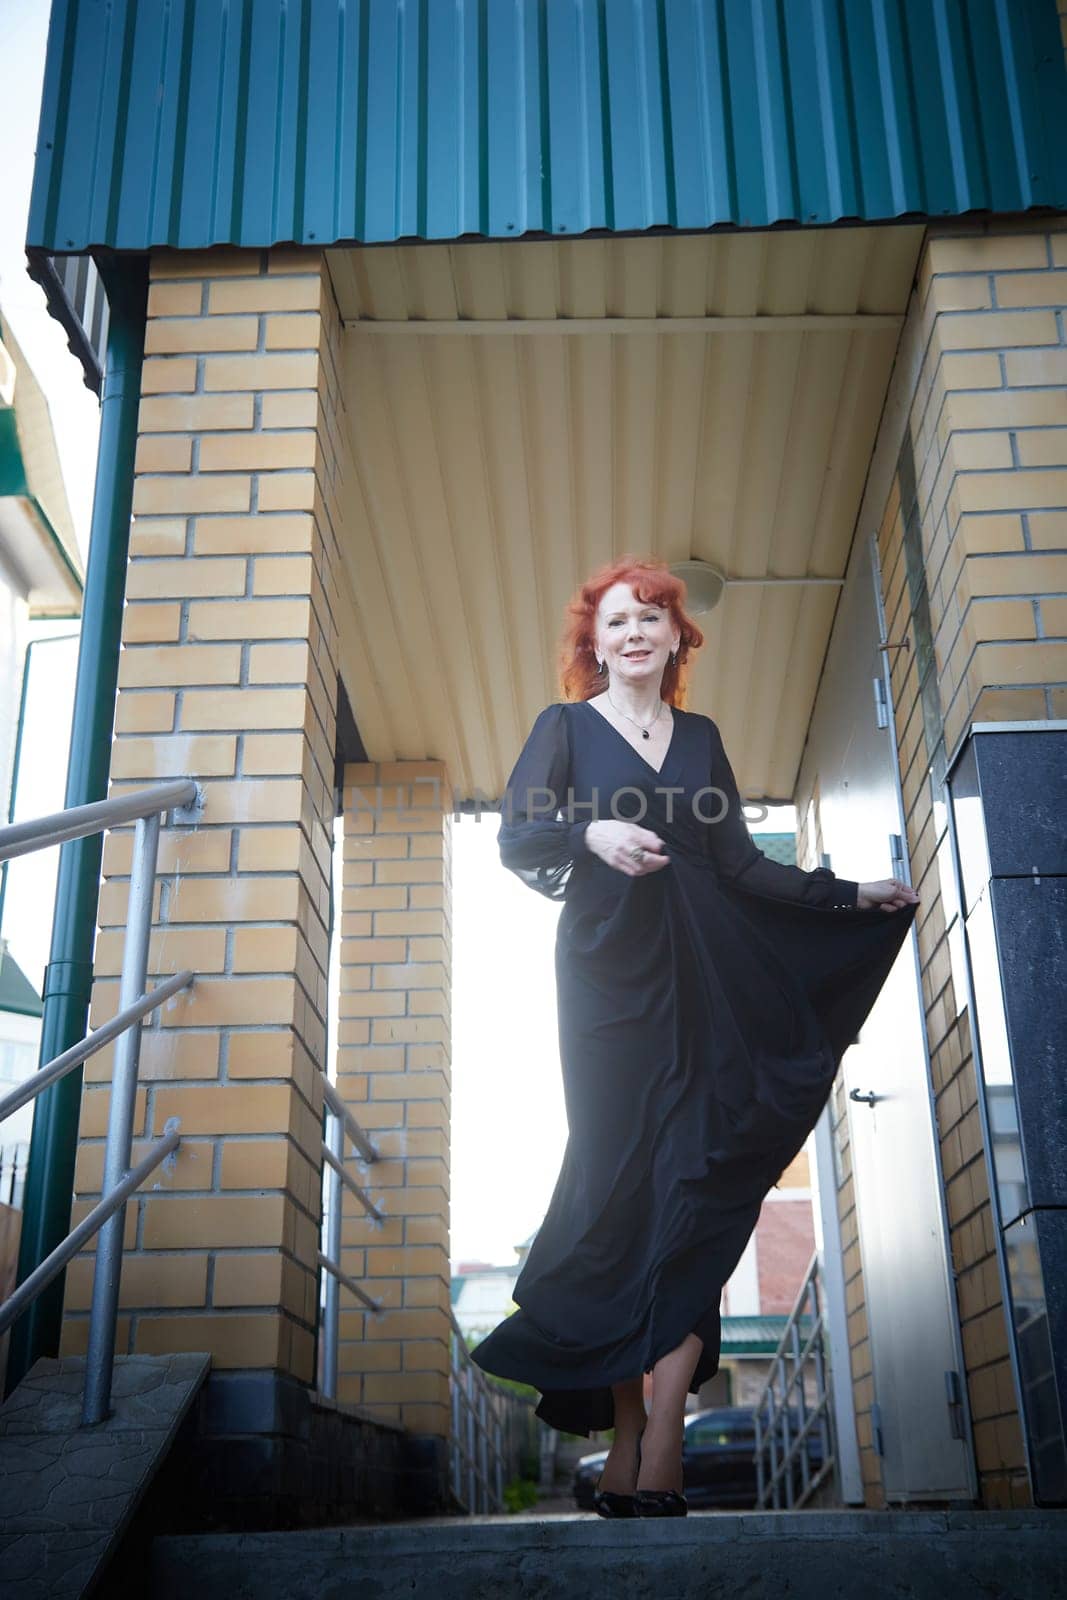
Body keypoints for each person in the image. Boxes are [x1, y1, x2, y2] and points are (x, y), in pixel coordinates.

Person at [468, 555, 920, 1518]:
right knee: (622, 1186)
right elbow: (520, 833)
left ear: (677, 639)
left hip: (707, 979)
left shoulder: (701, 738)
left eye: (651, 619)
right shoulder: (565, 731)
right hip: (605, 987)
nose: (633, 633)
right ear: (593, 643)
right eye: (616, 621)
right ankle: (628, 1433)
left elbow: (741, 867)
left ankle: (662, 1438)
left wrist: (847, 894)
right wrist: (591, 835)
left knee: (700, 1188)